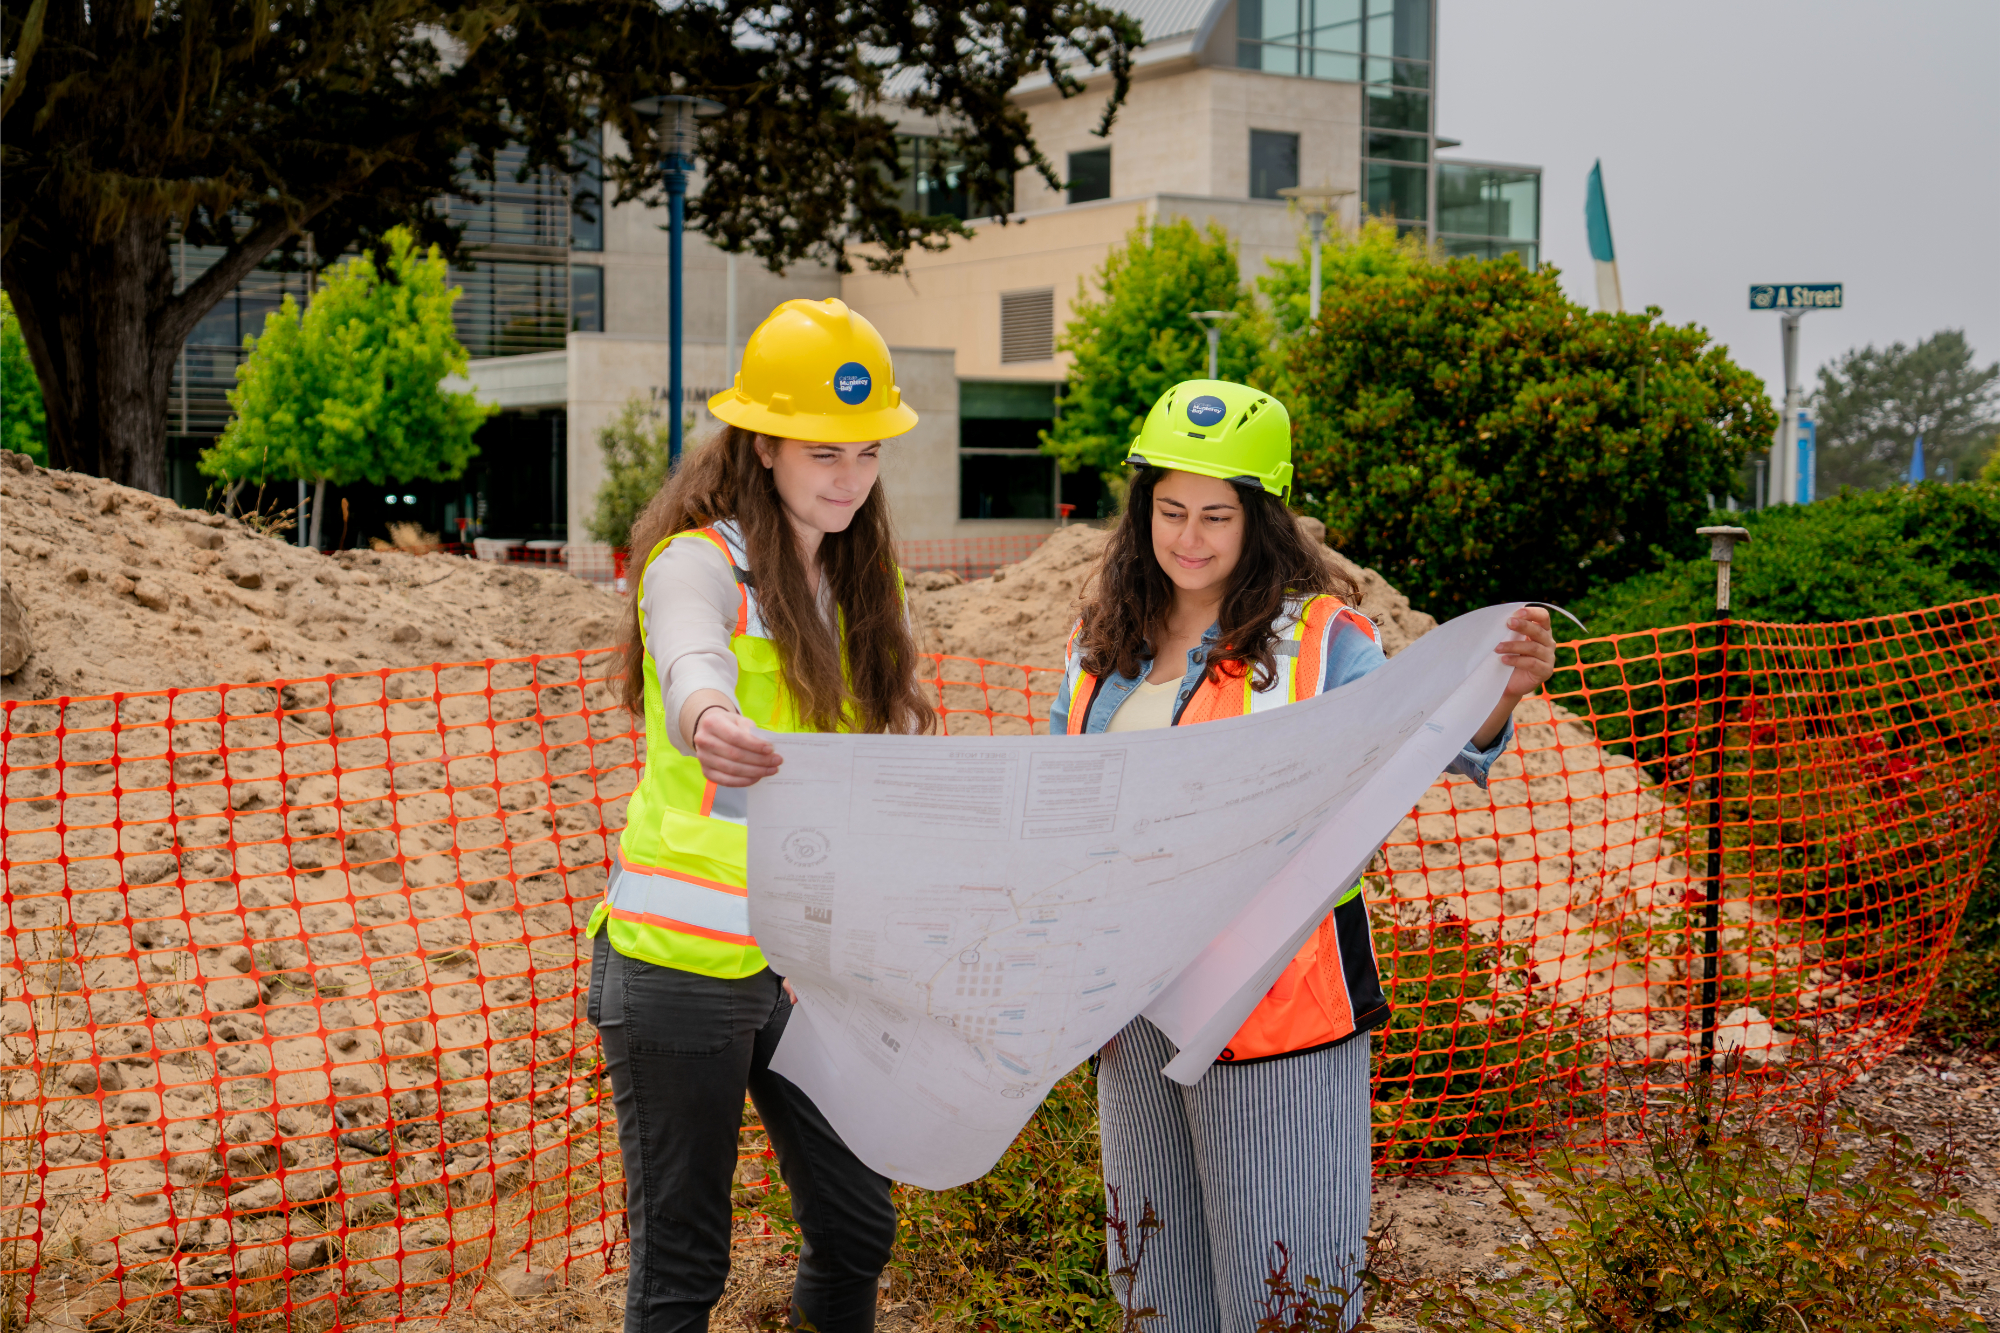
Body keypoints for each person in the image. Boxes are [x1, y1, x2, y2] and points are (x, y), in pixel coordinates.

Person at [1048, 379, 1556, 1332]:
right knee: (1153, 1276)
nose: (1188, 537)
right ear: (1140, 510)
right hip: (1135, 1002)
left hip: (1279, 1008)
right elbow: (1069, 804)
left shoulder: (1322, 640)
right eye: (1169, 511)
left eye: (1216, 515)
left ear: (1260, 520)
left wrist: (1504, 690)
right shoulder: (1098, 644)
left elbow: (1439, 736)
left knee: (1289, 1287)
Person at [586, 297, 937, 1333]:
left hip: (802, 966)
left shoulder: (867, 581)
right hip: (677, 965)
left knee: (857, 1226)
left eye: (866, 453)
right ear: (762, 445)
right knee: (683, 1267)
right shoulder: (697, 560)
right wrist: (705, 714)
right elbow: (688, 651)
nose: (848, 475)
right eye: (823, 451)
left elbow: (894, 752)